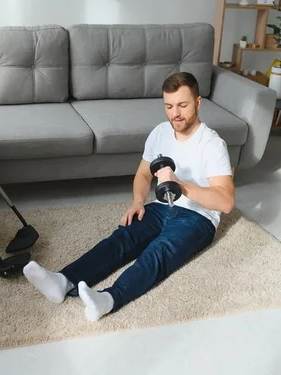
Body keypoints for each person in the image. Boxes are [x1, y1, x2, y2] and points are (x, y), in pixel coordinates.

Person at [23, 71, 235, 321]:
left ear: (198, 103)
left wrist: (181, 185)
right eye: (168, 106)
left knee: (160, 250)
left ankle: (109, 299)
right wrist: (137, 201)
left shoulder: (211, 144)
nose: (175, 113)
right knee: (122, 237)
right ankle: (63, 281)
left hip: (198, 216)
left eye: (182, 105)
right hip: (161, 206)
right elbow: (143, 175)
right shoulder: (160, 133)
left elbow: (226, 202)